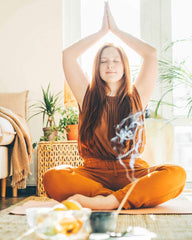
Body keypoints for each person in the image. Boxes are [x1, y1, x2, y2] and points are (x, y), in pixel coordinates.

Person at [43, 3, 186, 210]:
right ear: (97, 67)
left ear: (124, 66)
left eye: (116, 60)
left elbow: (150, 54)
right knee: (52, 177)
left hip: (132, 171)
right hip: (93, 175)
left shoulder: (137, 96)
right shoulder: (87, 96)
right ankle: (122, 199)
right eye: (103, 61)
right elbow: (68, 56)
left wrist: (117, 31)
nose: (110, 65)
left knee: (176, 174)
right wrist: (101, 32)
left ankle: (106, 201)